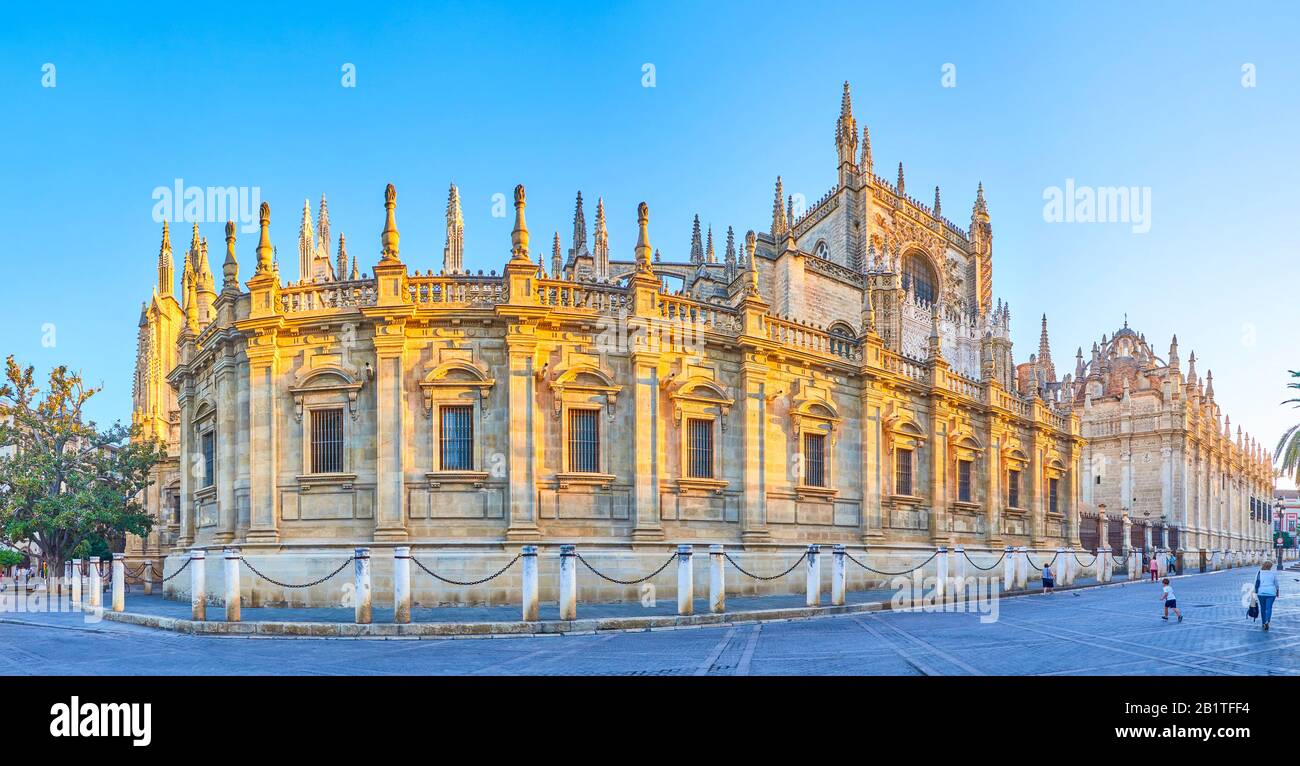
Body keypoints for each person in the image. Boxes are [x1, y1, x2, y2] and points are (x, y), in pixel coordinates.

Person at [1255, 560, 1280, 631]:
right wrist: (1277, 591)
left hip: (1261, 593)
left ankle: (1263, 623)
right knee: (1269, 608)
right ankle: (1267, 621)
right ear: (1270, 567)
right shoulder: (1273, 573)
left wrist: (1255, 592)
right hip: (1271, 593)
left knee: (1263, 608)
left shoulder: (1259, 573)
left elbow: (1255, 583)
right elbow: (1276, 584)